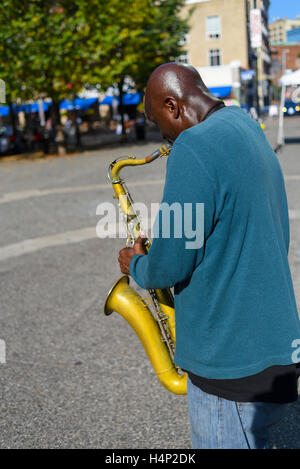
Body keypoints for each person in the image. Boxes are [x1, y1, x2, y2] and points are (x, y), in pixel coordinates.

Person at [118, 63, 300, 449]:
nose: (161, 136)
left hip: (228, 364)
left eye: (156, 121)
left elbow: (167, 267)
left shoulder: (194, 146)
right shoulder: (245, 124)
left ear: (173, 105)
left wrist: (136, 263)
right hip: (274, 350)